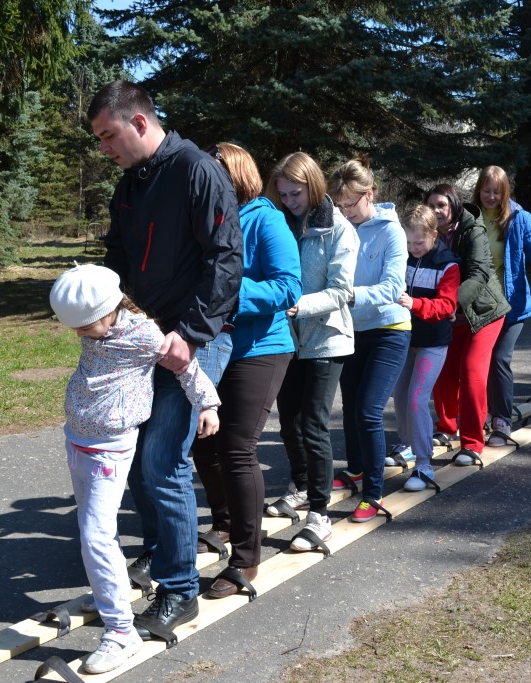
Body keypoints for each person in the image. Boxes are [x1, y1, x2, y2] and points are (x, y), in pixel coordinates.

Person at [88, 80, 242, 637]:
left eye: (108, 135)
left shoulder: (198, 171)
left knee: (161, 459)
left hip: (196, 339)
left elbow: (226, 259)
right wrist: (104, 312)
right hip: (142, 338)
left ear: (139, 122)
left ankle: (180, 589)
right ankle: (159, 551)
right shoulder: (130, 183)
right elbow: (118, 258)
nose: (104, 148)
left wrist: (193, 334)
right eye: (99, 139)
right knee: (133, 454)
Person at [49, 264, 221, 674]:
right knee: (91, 531)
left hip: (109, 449)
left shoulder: (142, 334)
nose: (80, 334)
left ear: (109, 309)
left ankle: (121, 632)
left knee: (96, 537)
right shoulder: (98, 327)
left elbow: (186, 366)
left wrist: (208, 404)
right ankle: (109, 591)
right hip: (78, 439)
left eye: (85, 326)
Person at [190, 143, 301, 599]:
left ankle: (245, 559)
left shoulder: (266, 219)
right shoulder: (209, 220)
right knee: (203, 442)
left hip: (261, 347)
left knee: (236, 448)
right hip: (213, 347)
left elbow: (288, 287)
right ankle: (223, 522)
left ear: (233, 176)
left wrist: (229, 290)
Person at [264, 152, 358, 552]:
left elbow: (341, 292)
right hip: (289, 339)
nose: (289, 201)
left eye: (296, 193)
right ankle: (302, 487)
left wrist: (296, 305)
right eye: (283, 194)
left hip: (327, 339)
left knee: (314, 426)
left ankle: (320, 516)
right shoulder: (281, 222)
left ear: (313, 186)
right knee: (289, 422)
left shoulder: (339, 229)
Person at [329, 158, 410, 523]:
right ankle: (358, 469)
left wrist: (350, 296)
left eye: (352, 203)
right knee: (350, 407)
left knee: (368, 410)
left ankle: (374, 494)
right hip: (353, 330)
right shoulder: (341, 226)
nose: (346, 211)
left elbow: (393, 287)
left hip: (390, 330)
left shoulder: (392, 231)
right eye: (341, 204)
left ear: (370, 194)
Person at [470, 166, 531, 447]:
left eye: (496, 192)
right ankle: (478, 415)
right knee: (476, 362)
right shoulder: (469, 216)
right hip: (477, 306)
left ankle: (501, 419)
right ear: (478, 190)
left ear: (505, 193)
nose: (491, 197)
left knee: (499, 359)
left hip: (510, 304)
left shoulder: (519, 218)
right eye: (486, 191)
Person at [425, 184, 510, 467]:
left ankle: (472, 442)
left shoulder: (473, 230)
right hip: (450, 313)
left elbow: (478, 273)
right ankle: (446, 426)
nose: (436, 211)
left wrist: (450, 304)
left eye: (441, 205)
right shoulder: (426, 233)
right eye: (431, 206)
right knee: (443, 371)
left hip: (483, 311)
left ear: (453, 206)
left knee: (471, 369)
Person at [392, 204, 460, 491]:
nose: (413, 248)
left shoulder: (448, 264)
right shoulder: (403, 255)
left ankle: (424, 465)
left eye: (419, 242)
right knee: (399, 395)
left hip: (433, 342)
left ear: (434, 235)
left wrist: (414, 304)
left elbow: (446, 305)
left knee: (417, 399)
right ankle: (407, 444)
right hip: (405, 338)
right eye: (408, 242)